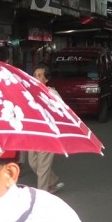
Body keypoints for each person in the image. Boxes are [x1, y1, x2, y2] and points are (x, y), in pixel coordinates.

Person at [30, 65, 65, 194]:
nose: (36, 78)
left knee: (42, 168)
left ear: (46, 79)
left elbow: (62, 111)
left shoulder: (52, 93)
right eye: (34, 75)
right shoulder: (29, 92)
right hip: (34, 132)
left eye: (39, 75)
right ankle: (53, 180)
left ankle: (42, 195)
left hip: (48, 133)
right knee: (33, 163)